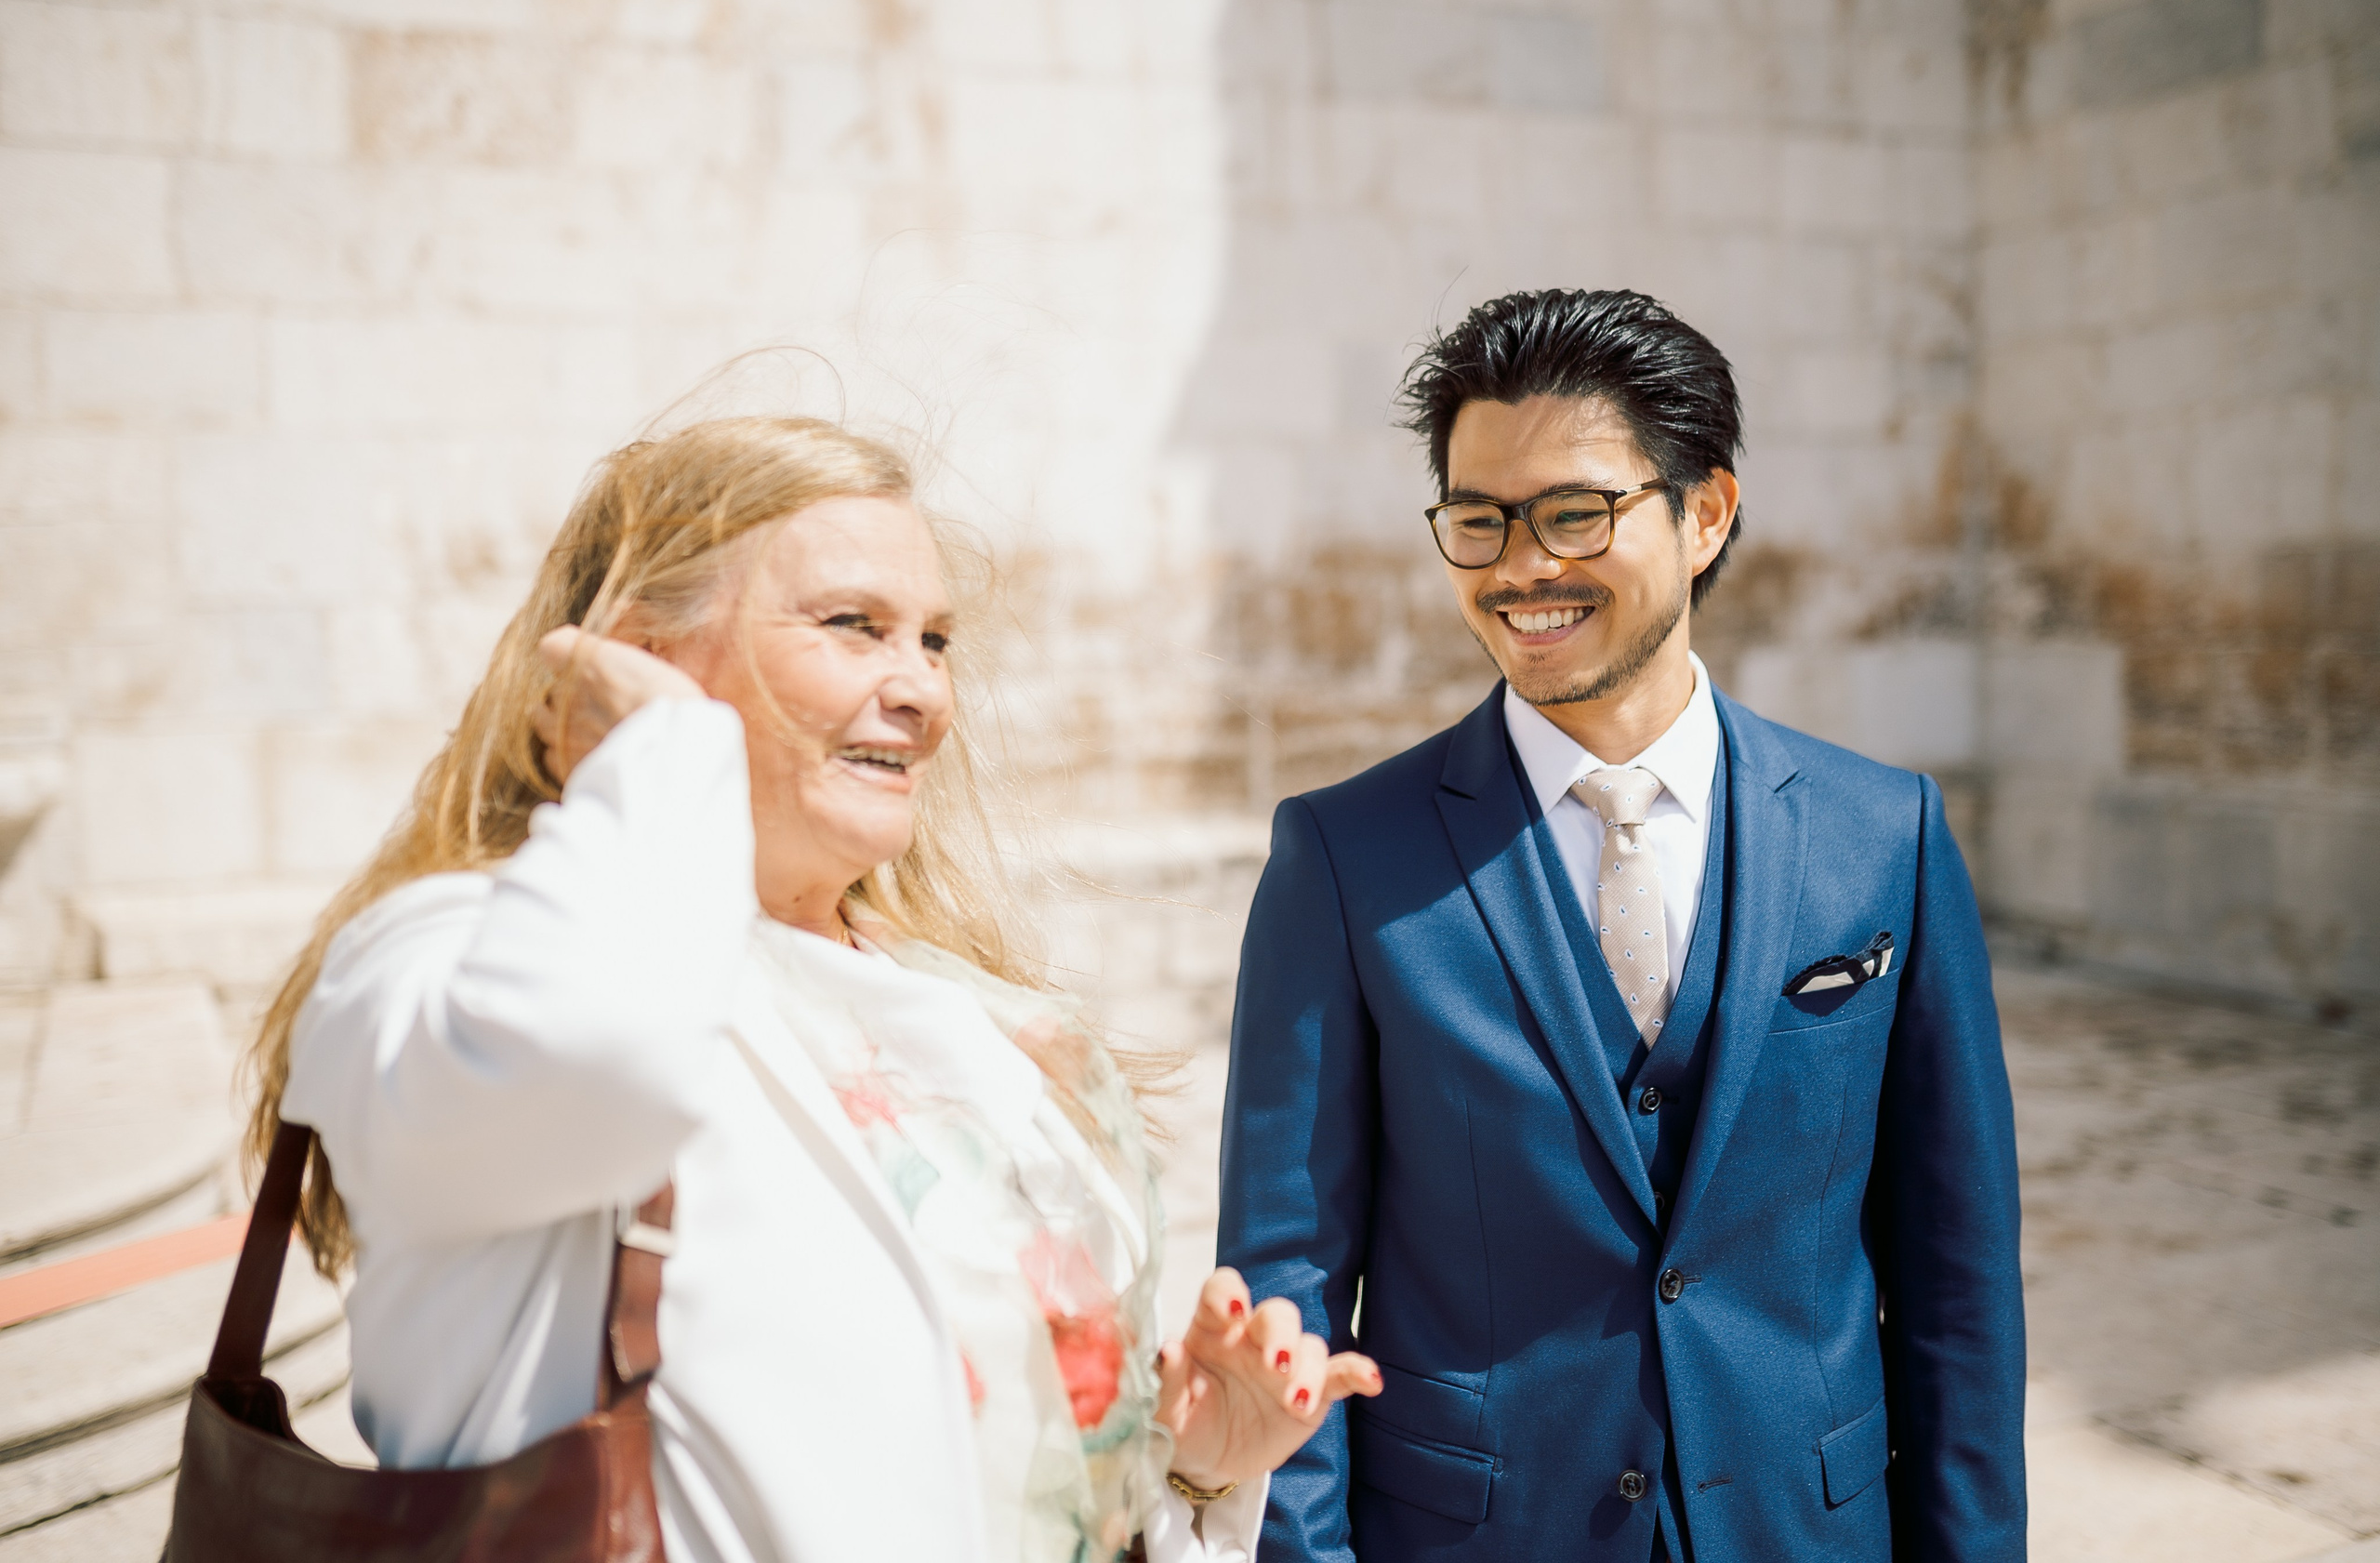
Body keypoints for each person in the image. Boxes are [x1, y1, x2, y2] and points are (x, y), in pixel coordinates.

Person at [246, 414, 1381, 1563]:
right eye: (855, 627)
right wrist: (653, 756)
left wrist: (1175, 1460)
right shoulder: (440, 956)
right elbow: (603, 1066)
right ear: (642, 653)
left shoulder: (969, 1021)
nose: (926, 694)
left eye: (933, 639)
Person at [1215, 290, 2026, 1562]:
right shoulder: (1342, 857)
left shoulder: (1888, 836)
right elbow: (1288, 1281)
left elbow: (1957, 1278)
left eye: (1576, 512)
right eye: (1479, 520)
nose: (1522, 565)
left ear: (1705, 513)